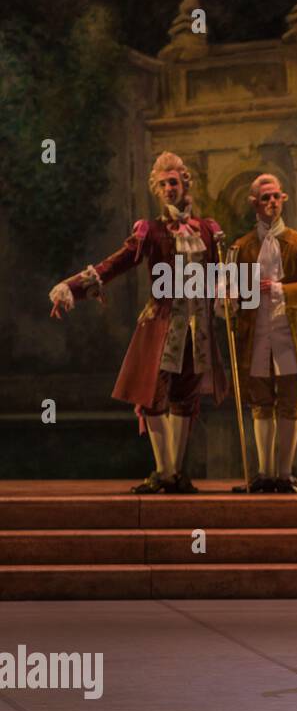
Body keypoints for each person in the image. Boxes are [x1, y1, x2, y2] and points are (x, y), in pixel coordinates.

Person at [48, 151, 229, 493]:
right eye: (162, 185)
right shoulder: (152, 231)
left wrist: (229, 293)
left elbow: (221, 275)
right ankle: (162, 472)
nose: (168, 189)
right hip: (162, 324)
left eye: (173, 182)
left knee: (185, 399)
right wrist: (71, 287)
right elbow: (117, 263)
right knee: (152, 398)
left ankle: (176, 473)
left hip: (198, 328)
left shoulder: (209, 231)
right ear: (156, 190)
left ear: (184, 183)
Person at [219, 173, 297, 494]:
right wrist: (228, 301)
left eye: (276, 196)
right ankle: (264, 473)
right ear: (254, 203)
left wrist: (280, 290)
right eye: (265, 198)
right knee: (261, 403)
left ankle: (284, 474)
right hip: (256, 336)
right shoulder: (241, 248)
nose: (271, 203)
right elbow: (231, 291)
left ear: (283, 199)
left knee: (291, 404)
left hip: (290, 335)